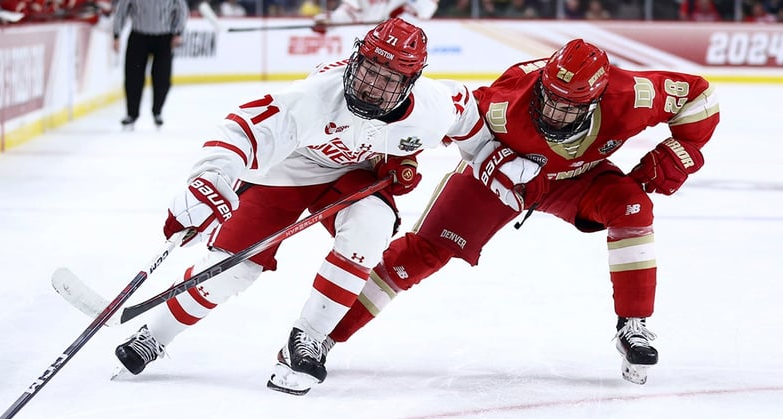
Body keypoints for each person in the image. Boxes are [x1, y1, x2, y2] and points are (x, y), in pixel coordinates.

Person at [282, 38, 720, 393]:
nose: (552, 112)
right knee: (421, 253)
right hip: (497, 175)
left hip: (577, 179)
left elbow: (700, 97)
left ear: (598, 99)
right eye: (549, 99)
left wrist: (680, 151)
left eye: (568, 107)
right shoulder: (505, 100)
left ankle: (634, 326)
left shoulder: (636, 94)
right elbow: (440, 117)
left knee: (633, 208)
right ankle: (323, 334)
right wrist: (411, 158)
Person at [112, 19, 504, 396]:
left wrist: (489, 160)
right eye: (368, 69)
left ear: (410, 83)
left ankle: (310, 338)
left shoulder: (433, 106)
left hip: (352, 173)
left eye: (388, 80)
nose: (372, 86)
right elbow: (243, 128)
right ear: (355, 60)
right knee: (230, 269)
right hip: (289, 169)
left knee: (373, 223)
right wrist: (211, 178)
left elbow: (471, 122)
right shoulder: (315, 97)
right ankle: (154, 336)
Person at [112, 0, 189, 129]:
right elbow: (122, 11)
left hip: (164, 37)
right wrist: (116, 34)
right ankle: (132, 114)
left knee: (162, 77)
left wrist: (178, 32)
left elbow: (181, 10)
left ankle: (157, 111)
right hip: (139, 36)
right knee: (133, 77)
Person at [312, 0, 438, 34]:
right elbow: (348, 13)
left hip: (405, 45)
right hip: (373, 44)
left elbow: (423, 10)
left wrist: (398, 20)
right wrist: (329, 22)